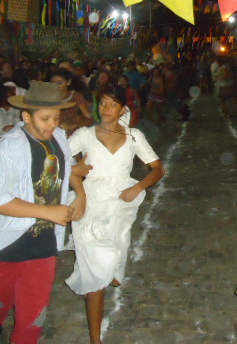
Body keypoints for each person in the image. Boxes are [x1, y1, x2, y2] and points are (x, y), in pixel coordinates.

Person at [0, 81, 87, 344]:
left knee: (33, 318)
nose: (52, 125)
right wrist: (49, 212)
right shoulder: (10, 147)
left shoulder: (59, 138)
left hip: (43, 245)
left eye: (56, 118)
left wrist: (81, 194)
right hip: (5, 244)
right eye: (45, 119)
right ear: (26, 116)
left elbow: (68, 169)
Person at [65, 84, 164, 344]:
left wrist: (138, 187)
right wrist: (75, 171)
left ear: (122, 109)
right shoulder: (85, 135)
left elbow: (157, 169)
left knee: (112, 270)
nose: (106, 109)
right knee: (96, 275)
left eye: (112, 104)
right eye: (102, 103)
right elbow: (56, 160)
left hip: (120, 207)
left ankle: (105, 275)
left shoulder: (133, 136)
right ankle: (95, 340)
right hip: (90, 206)